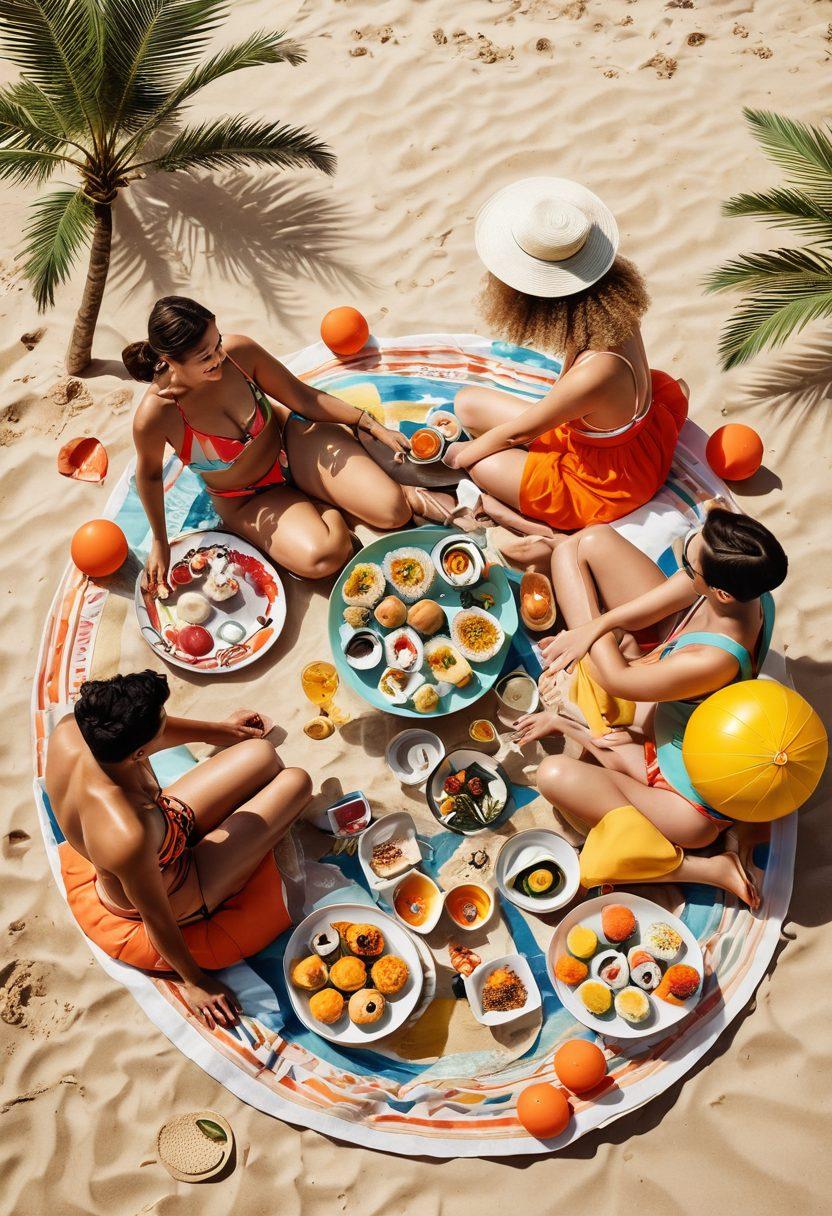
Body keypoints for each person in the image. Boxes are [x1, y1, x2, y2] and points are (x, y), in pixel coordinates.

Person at [512, 509, 788, 906]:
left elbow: (616, 679)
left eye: (690, 566)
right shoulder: (745, 586)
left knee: (553, 775)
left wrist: (589, 627)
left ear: (721, 593)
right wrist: (592, 627)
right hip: (670, 709)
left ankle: (707, 868)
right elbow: (660, 601)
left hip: (685, 796)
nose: (684, 563)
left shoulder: (715, 659)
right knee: (589, 541)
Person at [46, 670, 312, 1028]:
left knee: (262, 753)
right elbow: (156, 917)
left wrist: (225, 731)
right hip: (177, 885)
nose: (166, 725)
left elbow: (153, 731)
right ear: (139, 752)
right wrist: (195, 981)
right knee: (297, 782)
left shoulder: (75, 728)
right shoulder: (127, 833)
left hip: (167, 825)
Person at [442, 178, 688, 547]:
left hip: (607, 482)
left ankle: (545, 531)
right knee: (467, 403)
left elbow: (516, 434)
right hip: (603, 439)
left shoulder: (597, 371)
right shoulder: (608, 315)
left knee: (481, 464)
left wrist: (460, 456)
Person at [125, 297, 416, 591]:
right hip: (248, 498)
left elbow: (303, 397)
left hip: (292, 444)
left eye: (218, 343)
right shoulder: (155, 416)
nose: (219, 358)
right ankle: (325, 505)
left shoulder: (239, 354)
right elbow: (149, 475)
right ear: (171, 361)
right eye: (205, 357)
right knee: (324, 558)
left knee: (394, 511)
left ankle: (324, 499)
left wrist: (368, 423)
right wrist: (160, 541)